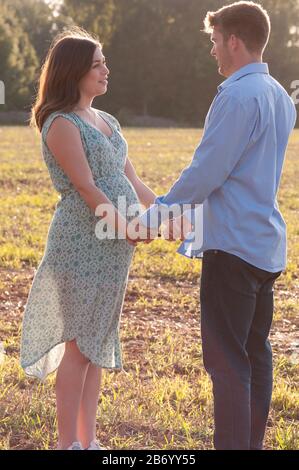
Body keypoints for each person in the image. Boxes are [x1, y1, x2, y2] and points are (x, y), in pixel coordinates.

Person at [137, 1, 297, 450]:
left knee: (227, 362)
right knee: (255, 355)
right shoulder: (280, 97)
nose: (212, 51)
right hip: (264, 244)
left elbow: (206, 173)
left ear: (233, 40)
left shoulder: (237, 95)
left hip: (232, 246)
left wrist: (155, 218)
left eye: (214, 40)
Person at [20, 27, 156, 450]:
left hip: (114, 247)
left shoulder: (108, 121)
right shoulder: (60, 124)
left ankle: (88, 440)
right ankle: (67, 445)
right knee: (79, 345)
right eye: (97, 64)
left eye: (103, 62)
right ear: (74, 71)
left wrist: (168, 213)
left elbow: (133, 181)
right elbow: (87, 189)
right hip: (80, 245)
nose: (106, 70)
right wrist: (130, 227)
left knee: (96, 344)